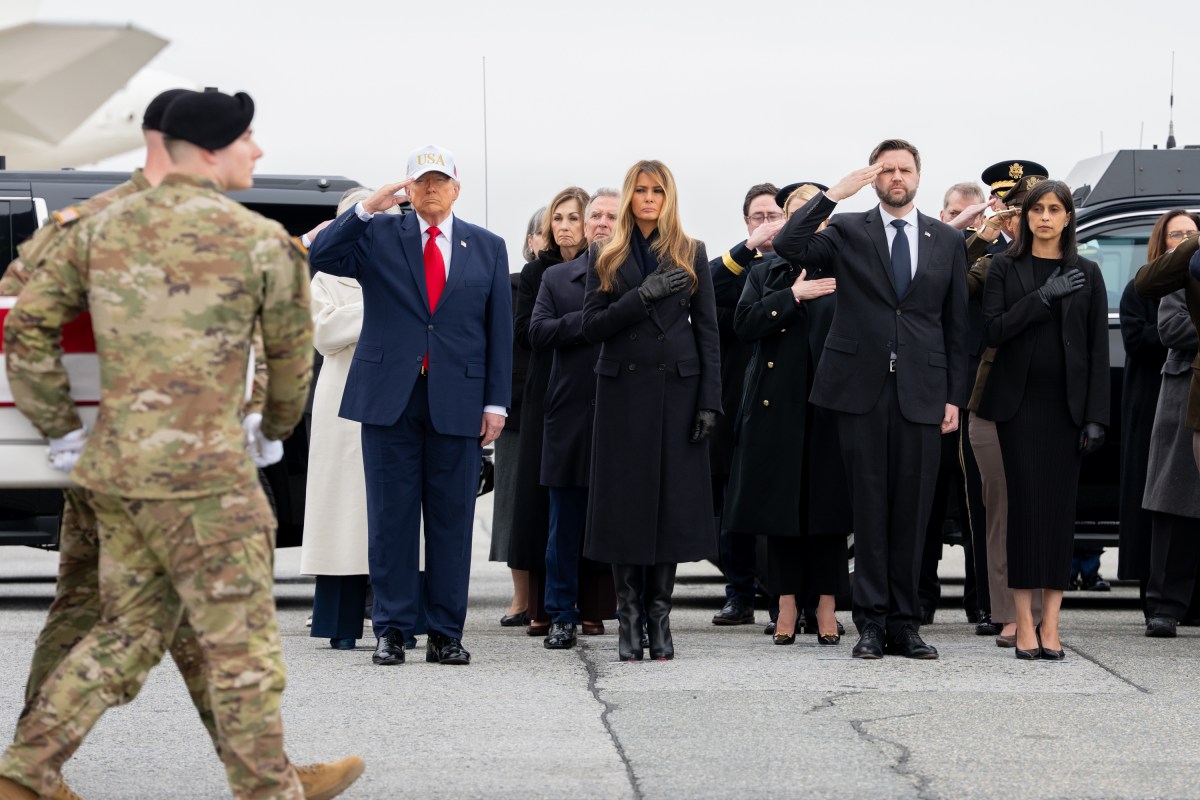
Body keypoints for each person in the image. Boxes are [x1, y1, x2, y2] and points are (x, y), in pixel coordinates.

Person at [0, 89, 363, 800]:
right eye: (246, 139)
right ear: (206, 150)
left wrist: (64, 433)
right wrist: (271, 431)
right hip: (209, 478)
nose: (257, 150)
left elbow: (21, 322)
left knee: (136, 626)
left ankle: (32, 769)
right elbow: (292, 366)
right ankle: (263, 785)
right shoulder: (261, 242)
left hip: (113, 466)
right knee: (234, 638)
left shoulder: (94, 228)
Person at [308, 144, 512, 668]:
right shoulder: (378, 234)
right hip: (389, 399)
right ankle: (392, 630)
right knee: (390, 519)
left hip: (459, 402)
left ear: (456, 189)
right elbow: (321, 257)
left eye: (440, 181)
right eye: (421, 181)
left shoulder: (486, 247)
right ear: (408, 188)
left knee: (450, 521)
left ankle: (446, 632)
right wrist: (367, 207)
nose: (431, 189)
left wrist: (496, 404)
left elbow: (498, 333)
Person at [773, 139, 968, 660]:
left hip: (923, 393)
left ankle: (906, 623)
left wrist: (954, 396)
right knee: (870, 508)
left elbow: (957, 325)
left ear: (919, 176)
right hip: (860, 391)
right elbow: (790, 245)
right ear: (874, 177)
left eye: (905, 169)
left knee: (914, 511)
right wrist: (833, 195)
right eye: (887, 170)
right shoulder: (846, 230)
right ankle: (872, 624)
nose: (896, 178)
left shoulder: (945, 240)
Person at [582, 159, 721, 661]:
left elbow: (707, 332)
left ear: (668, 197)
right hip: (623, 397)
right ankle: (629, 619)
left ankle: (659, 620)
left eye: (656, 191)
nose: (647, 199)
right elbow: (591, 327)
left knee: (670, 509)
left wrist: (710, 400)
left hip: (677, 394)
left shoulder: (691, 251)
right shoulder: (606, 252)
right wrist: (642, 296)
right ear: (628, 195)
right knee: (625, 508)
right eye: (639, 190)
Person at [978, 179, 1110, 661]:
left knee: (1058, 515)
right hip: (1018, 407)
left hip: (1067, 410)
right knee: (1025, 513)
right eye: (1038, 210)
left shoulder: (1088, 271)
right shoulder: (1003, 268)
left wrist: (1097, 417)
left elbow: (1097, 350)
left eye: (1055, 209)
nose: (1046, 217)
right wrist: (1043, 297)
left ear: (1068, 216)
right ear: (1026, 216)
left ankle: (1051, 625)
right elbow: (993, 330)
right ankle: (1024, 623)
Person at [724, 182, 850, 646]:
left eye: (811, 211)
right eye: (795, 210)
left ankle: (828, 605)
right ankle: (786, 603)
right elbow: (744, 324)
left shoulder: (844, 264)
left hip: (830, 402)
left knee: (829, 509)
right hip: (777, 405)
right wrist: (792, 297)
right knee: (782, 511)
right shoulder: (768, 271)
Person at [301, 187, 426, 651]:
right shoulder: (324, 277)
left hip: (396, 395)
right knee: (344, 513)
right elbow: (323, 333)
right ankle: (341, 622)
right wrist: (379, 305)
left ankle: (401, 621)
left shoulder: (408, 269)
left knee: (397, 506)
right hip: (342, 401)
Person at [527, 188, 621, 648]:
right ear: (585, 226)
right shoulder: (558, 279)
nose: (601, 222)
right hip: (568, 414)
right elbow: (538, 332)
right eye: (595, 215)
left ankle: (627, 609)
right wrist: (593, 322)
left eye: (610, 216)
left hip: (624, 416)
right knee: (563, 522)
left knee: (622, 518)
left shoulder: (641, 278)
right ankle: (562, 612)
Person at [964, 169, 1048, 647]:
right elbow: (947, 288)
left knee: (1042, 510)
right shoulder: (992, 263)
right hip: (997, 399)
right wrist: (980, 239)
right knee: (1002, 510)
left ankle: (1043, 611)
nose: (1025, 221)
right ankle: (1008, 612)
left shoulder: (1077, 261)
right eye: (1017, 212)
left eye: (1038, 209)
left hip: (1050, 402)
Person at [509, 187, 592, 638]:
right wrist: (592, 321)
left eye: (572, 218)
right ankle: (546, 607)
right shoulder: (536, 272)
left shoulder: (607, 267)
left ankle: (592, 604)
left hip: (595, 392)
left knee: (590, 502)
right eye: (557, 219)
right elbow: (527, 333)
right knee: (546, 504)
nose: (563, 226)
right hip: (547, 394)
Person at [708, 182, 784, 628]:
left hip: (783, 402)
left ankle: (783, 596)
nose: (768, 223)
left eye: (775, 215)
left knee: (776, 505)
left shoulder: (803, 263)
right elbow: (707, 290)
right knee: (731, 507)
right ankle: (738, 593)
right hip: (736, 401)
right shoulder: (733, 268)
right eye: (759, 217)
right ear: (746, 224)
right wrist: (747, 249)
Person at [1138, 211, 1200, 637]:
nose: (1185, 239)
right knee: (1176, 505)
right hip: (1186, 390)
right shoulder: (1186, 270)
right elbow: (1172, 326)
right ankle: (1165, 606)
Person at [1117, 212, 1172, 608]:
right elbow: (1137, 341)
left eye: (1192, 234)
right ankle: (1155, 595)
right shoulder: (1141, 286)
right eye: (1176, 235)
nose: (1184, 240)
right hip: (1151, 403)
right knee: (1149, 501)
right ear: (1161, 241)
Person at [492, 208, 544, 625]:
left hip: (566, 407)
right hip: (515, 408)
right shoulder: (508, 285)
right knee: (512, 505)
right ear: (530, 241)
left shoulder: (584, 278)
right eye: (542, 232)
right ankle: (521, 598)